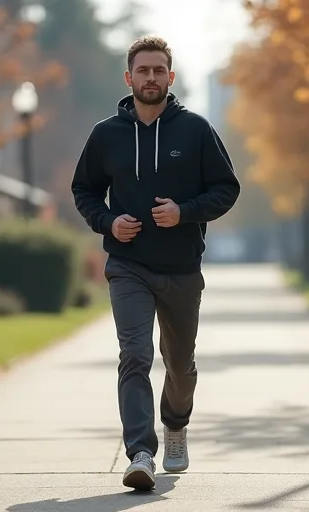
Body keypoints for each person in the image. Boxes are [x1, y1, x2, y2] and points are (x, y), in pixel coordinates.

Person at [71, 35, 241, 491]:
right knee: (135, 355)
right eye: (142, 71)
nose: (150, 78)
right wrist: (108, 222)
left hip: (182, 268)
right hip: (128, 265)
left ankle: (176, 425)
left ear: (170, 76)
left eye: (158, 70)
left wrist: (184, 212)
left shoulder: (197, 130)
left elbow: (227, 188)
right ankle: (141, 452)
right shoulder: (106, 134)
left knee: (180, 365)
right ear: (129, 78)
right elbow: (83, 189)